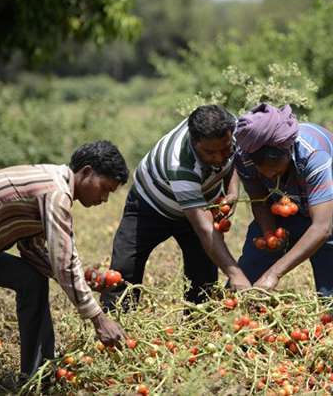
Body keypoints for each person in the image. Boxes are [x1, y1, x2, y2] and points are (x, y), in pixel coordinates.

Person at [0, 140, 129, 395]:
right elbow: (64, 262)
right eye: (105, 188)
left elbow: (34, 251)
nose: (105, 199)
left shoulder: (50, 182)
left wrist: (84, 279)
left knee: (32, 279)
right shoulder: (56, 193)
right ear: (85, 172)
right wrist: (98, 318)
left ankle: (38, 377)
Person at [101, 105, 250, 310]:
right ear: (194, 141)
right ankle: (115, 324)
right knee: (124, 269)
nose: (218, 158)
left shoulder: (231, 129)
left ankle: (199, 329)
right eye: (209, 152)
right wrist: (236, 274)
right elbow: (204, 228)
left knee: (204, 277)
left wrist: (232, 191)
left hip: (201, 204)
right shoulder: (180, 164)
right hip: (150, 206)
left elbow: (236, 157)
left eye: (224, 149)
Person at [233, 103, 333, 298]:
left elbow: (322, 227)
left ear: (288, 152)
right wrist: (270, 235)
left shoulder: (313, 156)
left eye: (276, 171)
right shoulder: (245, 155)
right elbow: (260, 200)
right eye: (264, 173)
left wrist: (273, 274)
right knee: (249, 275)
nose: (270, 177)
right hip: (284, 205)